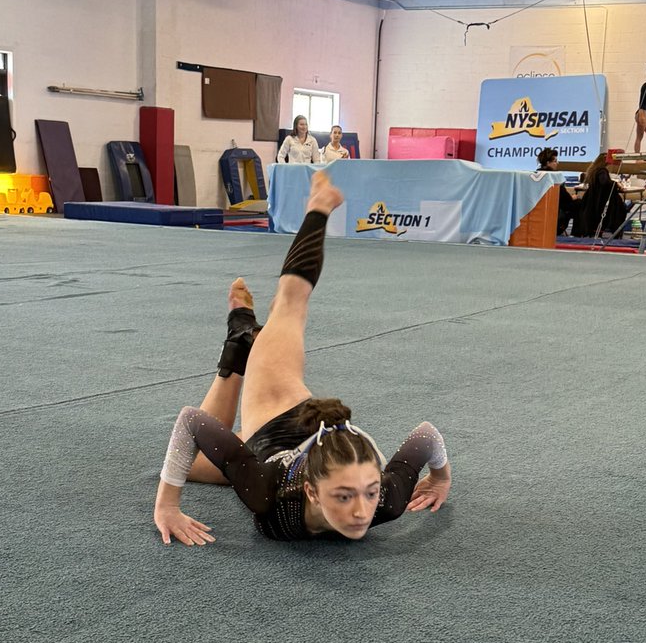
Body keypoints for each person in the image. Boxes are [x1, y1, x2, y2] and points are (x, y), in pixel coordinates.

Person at [154, 172, 451, 545]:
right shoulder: (269, 495)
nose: (362, 512)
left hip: (287, 454)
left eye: (370, 492)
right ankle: (318, 208)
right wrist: (166, 507)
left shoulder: (383, 503)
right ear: (311, 491)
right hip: (280, 412)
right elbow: (190, 420)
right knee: (290, 304)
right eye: (344, 496)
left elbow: (427, 436)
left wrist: (440, 477)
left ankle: (242, 341)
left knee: (190, 466)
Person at [579, 152, 629, 238]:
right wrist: (616, 184)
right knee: (621, 208)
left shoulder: (593, 170)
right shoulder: (602, 171)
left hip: (594, 202)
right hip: (603, 202)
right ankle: (617, 231)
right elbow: (604, 182)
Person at [535, 147, 580, 236]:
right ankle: (578, 233)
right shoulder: (554, 178)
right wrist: (573, 197)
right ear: (548, 163)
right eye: (555, 161)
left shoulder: (535, 176)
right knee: (579, 203)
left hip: (539, 214)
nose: (557, 163)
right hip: (555, 217)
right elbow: (566, 201)